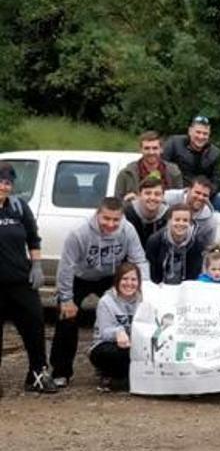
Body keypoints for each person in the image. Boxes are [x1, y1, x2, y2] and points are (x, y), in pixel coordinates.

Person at [50, 197, 150, 387]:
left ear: (122, 218)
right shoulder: (79, 233)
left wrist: (145, 289)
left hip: (110, 275)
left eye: (115, 220)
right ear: (98, 214)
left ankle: (114, 363)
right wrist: (66, 299)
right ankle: (61, 371)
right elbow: (66, 267)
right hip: (81, 276)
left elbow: (139, 259)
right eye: (106, 219)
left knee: (130, 311)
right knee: (66, 318)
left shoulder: (128, 230)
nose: (111, 224)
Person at [0, 162, 57, 394]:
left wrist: (37, 266)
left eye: (8, 182)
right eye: (1, 181)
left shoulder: (19, 208)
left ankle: (38, 374)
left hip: (20, 280)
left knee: (34, 325)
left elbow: (33, 239)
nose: (4, 186)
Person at [162, 115, 220, 213]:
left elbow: (217, 180)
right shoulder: (174, 144)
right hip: (179, 192)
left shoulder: (215, 153)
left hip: (203, 195)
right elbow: (162, 167)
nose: (201, 137)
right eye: (198, 132)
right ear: (190, 131)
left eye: (205, 134)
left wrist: (203, 194)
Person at [89, 263, 141, 392]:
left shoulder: (144, 300)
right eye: (125, 279)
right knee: (108, 353)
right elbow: (104, 332)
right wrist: (118, 332)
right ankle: (108, 374)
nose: (129, 283)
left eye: (134, 279)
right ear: (117, 280)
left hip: (137, 344)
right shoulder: (106, 301)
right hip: (111, 344)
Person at [114, 131, 183, 202]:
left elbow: (179, 202)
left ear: (161, 149)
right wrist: (126, 201)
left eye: (155, 148)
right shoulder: (126, 174)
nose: (151, 152)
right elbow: (116, 205)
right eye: (147, 148)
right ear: (140, 149)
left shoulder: (174, 173)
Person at [145, 203, 204, 284]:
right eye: (177, 219)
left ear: (190, 223)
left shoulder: (196, 243)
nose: (181, 223)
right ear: (169, 221)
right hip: (160, 286)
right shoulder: (155, 241)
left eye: (185, 220)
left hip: (185, 288)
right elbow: (151, 271)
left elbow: (194, 273)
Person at [164, 176, 218, 247]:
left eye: (205, 195)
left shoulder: (210, 222)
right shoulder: (168, 198)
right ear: (188, 190)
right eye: (197, 193)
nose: (200, 197)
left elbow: (208, 248)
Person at [123, 177, 169, 248]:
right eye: (148, 193)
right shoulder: (126, 213)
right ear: (139, 195)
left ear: (163, 197)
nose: (152, 198)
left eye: (157, 194)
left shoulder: (168, 216)